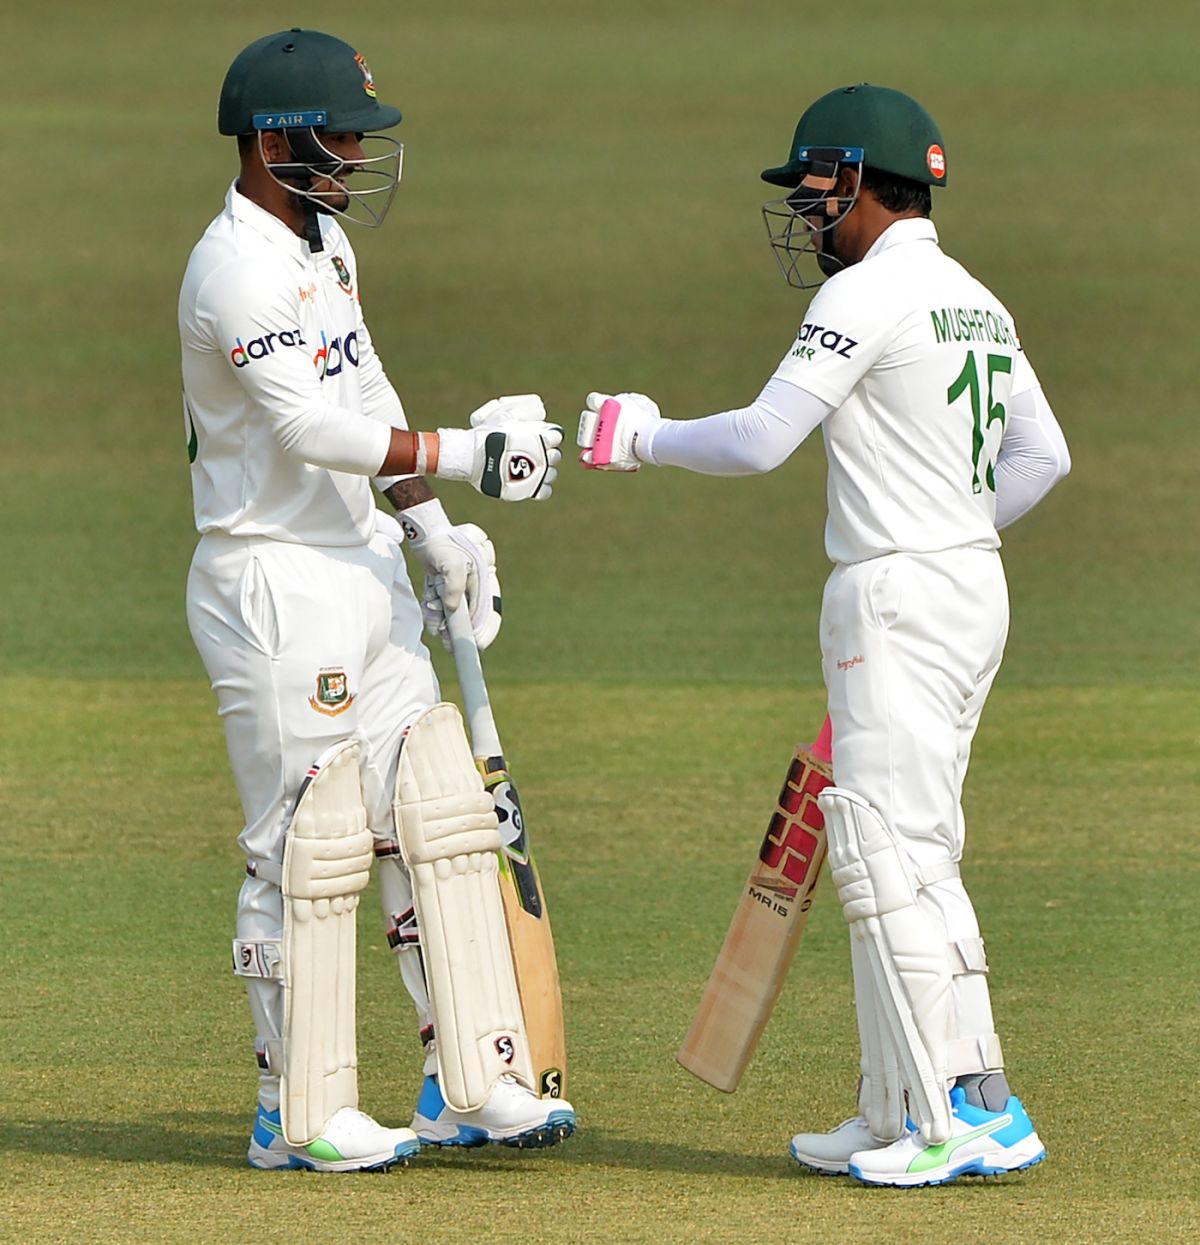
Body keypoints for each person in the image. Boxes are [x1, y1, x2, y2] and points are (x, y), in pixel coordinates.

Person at [577, 83, 1069, 1187]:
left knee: (891, 856)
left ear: (865, 181)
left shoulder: (869, 295)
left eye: (817, 187)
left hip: (895, 598)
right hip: (964, 589)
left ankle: (958, 1116)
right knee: (904, 846)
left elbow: (760, 439)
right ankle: (901, 1102)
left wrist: (641, 437)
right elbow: (1045, 460)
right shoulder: (974, 298)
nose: (806, 211)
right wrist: (946, 530)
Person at [180, 27, 575, 1172]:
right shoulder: (235, 265)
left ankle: (473, 1078)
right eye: (337, 132)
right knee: (306, 848)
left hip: (363, 568)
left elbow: (365, 386)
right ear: (271, 139)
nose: (356, 151)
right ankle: (292, 1112)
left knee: (438, 818)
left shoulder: (325, 244)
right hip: (272, 580)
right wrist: (463, 453)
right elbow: (306, 427)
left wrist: (431, 526)